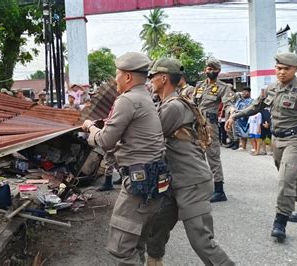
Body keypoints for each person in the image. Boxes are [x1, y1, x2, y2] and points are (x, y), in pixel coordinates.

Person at [225, 52, 297, 241]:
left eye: (286, 69)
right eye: (279, 68)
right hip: (277, 141)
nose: (281, 72)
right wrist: (235, 115)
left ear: (296, 70)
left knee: (285, 180)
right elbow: (255, 107)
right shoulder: (270, 89)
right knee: (292, 177)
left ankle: (280, 222)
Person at [81, 52, 168, 265]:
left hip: (139, 182)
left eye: (117, 74)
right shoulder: (145, 97)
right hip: (155, 178)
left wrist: (90, 127)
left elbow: (105, 141)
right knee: (137, 243)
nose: (115, 79)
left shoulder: (127, 100)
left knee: (121, 248)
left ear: (127, 77)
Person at [146, 58, 234, 266]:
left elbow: (149, 138)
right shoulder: (167, 103)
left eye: (151, 76)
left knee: (201, 241)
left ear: (163, 78)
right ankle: (154, 261)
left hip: (192, 182)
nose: (149, 80)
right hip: (175, 181)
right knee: (157, 228)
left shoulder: (174, 107)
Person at [193, 57, 234, 202]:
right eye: (208, 69)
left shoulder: (224, 87)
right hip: (196, 124)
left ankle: (219, 190)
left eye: (213, 69)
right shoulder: (199, 86)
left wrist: (232, 112)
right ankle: (202, 186)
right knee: (197, 155)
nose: (210, 71)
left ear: (218, 71)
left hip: (210, 125)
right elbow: (192, 103)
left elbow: (228, 103)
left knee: (213, 156)